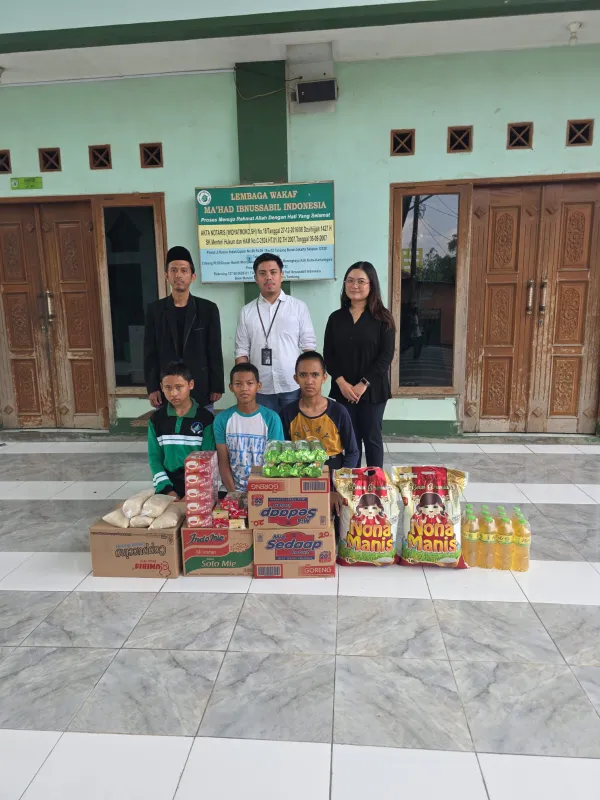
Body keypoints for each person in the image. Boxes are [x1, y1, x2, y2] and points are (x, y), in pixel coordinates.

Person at [324, 261, 395, 469]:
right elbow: (328, 354)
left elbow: (386, 356)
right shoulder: (336, 318)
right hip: (343, 390)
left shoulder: (383, 318)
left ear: (371, 285)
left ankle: (374, 484)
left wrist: (363, 383)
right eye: (350, 281)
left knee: (372, 439)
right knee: (350, 440)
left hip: (373, 391)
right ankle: (352, 483)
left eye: (361, 281)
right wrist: (341, 383)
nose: (355, 285)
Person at [144, 245, 224, 410]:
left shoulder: (207, 309)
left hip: (200, 386)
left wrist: (217, 385)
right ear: (166, 275)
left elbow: (214, 349)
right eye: (173, 270)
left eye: (184, 270)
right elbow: (150, 352)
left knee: (202, 425)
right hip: (167, 388)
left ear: (193, 276)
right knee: (169, 426)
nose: (178, 275)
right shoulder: (155, 310)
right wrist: (152, 388)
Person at [235, 252, 316, 413]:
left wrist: (309, 381)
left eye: (273, 272)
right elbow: (241, 351)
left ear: (281, 276)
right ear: (256, 278)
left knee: (293, 427)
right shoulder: (247, 311)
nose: (268, 277)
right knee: (265, 427)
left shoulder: (298, 307)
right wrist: (245, 385)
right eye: (262, 273)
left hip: (292, 384)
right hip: (261, 388)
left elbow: (309, 347)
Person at [280, 351, 358, 476]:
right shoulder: (288, 413)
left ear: (324, 377)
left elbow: (353, 452)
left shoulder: (338, 411)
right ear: (296, 378)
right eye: (303, 375)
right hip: (299, 474)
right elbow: (283, 451)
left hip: (333, 473)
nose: (309, 381)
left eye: (315, 375)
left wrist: (342, 477)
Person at [148, 361, 215, 499]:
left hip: (199, 485)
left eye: (179, 387)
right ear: (161, 387)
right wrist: (167, 490)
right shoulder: (156, 420)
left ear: (191, 385)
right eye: (168, 387)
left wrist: (191, 492)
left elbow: (207, 460)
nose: (173, 393)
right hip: (168, 485)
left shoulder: (206, 419)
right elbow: (154, 458)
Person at [214, 363, 284, 493]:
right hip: (232, 490)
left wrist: (261, 494)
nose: (244, 388)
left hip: (265, 489)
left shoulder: (272, 418)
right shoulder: (222, 419)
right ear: (231, 387)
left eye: (250, 383)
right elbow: (223, 462)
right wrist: (234, 495)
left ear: (258, 386)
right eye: (238, 384)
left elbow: (275, 462)